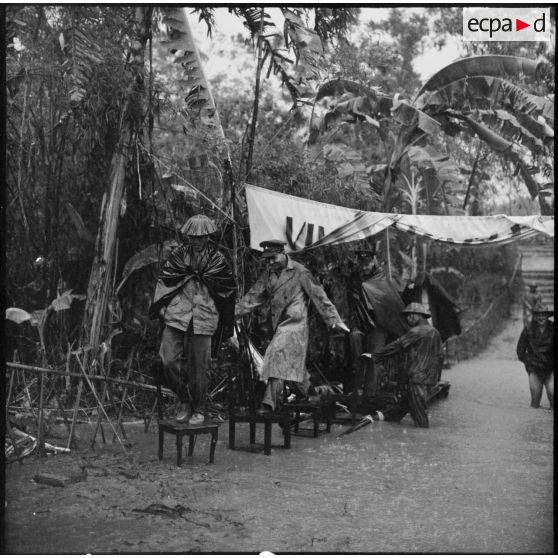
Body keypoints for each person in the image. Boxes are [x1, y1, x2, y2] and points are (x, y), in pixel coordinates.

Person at [235, 240, 349, 413]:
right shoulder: (268, 274)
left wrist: (334, 320)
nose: (270, 262)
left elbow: (319, 296)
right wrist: (231, 314)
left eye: (273, 258)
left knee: (277, 354)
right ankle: (310, 393)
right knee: (293, 366)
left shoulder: (300, 272)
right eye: (267, 259)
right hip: (279, 325)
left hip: (295, 326)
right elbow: (253, 297)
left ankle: (268, 404)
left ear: (283, 253)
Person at [149, 214, 236, 424]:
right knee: (167, 360)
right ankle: (183, 398)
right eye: (193, 237)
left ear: (208, 237)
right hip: (177, 315)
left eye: (201, 237)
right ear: (188, 237)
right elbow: (165, 282)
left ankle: (198, 407)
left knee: (200, 368)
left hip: (204, 317)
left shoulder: (217, 261)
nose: (197, 240)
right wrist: (160, 305)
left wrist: (225, 322)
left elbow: (227, 292)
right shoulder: (178, 258)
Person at [347, 250, 408, 400]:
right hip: (360, 325)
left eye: (367, 264)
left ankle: (370, 395)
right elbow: (352, 307)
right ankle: (356, 389)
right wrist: (354, 325)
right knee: (353, 343)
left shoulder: (382, 279)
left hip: (379, 326)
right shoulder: (355, 280)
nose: (364, 267)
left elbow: (390, 306)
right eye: (362, 264)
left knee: (375, 355)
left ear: (374, 260)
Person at [372, 302, 443, 428]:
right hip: (428, 378)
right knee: (403, 407)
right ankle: (383, 420)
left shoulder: (416, 331)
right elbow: (440, 356)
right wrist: (436, 377)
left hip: (416, 377)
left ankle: (422, 442)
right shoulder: (435, 332)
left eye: (410, 316)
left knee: (420, 418)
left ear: (417, 315)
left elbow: (397, 345)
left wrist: (376, 356)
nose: (408, 319)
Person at [516, 302, 554, 409]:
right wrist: (530, 362)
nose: (541, 317)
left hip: (550, 369)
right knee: (535, 401)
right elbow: (520, 351)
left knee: (553, 393)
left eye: (544, 314)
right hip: (534, 369)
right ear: (535, 316)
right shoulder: (528, 329)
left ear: (547, 315)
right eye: (538, 314)